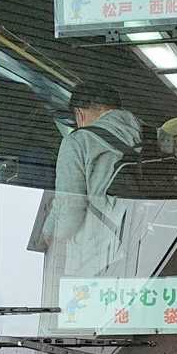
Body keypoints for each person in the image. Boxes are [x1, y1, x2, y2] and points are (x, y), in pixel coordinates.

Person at [45, 88, 144, 277]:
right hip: (153, 241)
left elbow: (70, 209)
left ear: (79, 113)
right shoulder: (154, 135)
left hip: (105, 255)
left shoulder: (78, 141)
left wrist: (49, 235)